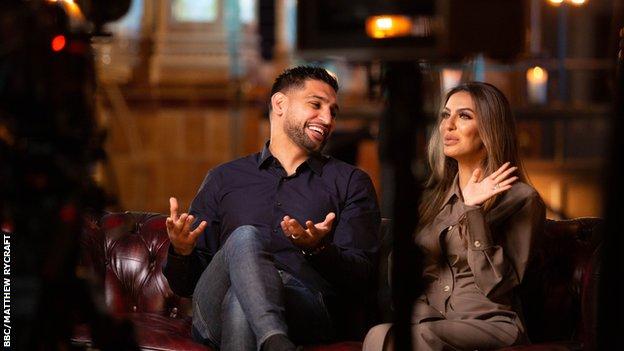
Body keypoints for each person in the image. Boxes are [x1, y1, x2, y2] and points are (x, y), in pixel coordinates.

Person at [163, 66, 381, 351]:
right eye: (316, 105)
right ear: (280, 104)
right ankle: (276, 342)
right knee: (244, 238)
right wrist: (182, 252)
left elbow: (362, 278)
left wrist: (319, 250)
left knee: (240, 303)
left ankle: (273, 339)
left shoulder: (350, 182)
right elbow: (185, 287)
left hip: (305, 309)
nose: (327, 119)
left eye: (333, 111)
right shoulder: (224, 178)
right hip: (212, 313)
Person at [363, 82, 546, 350]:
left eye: (464, 116)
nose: (448, 125)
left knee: (415, 338)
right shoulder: (431, 199)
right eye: (445, 115)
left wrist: (472, 212)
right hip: (429, 318)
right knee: (379, 334)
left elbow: (497, 285)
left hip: (488, 322)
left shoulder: (522, 199)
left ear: (489, 129)